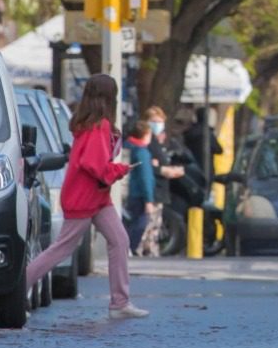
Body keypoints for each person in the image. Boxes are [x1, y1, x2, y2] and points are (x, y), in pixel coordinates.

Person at [25, 74, 149, 319]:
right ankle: (17, 290)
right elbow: (95, 165)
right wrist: (120, 170)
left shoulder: (89, 125)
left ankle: (119, 303)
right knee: (62, 248)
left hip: (95, 197)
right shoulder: (99, 126)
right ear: (109, 98)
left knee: (120, 240)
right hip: (86, 197)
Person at [137, 106, 185, 257]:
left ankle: (151, 253)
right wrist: (163, 170)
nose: (157, 125)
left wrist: (166, 168)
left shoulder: (157, 142)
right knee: (148, 227)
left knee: (154, 227)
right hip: (152, 191)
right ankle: (145, 253)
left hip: (160, 190)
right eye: (153, 121)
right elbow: (147, 167)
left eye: (160, 121)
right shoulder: (146, 143)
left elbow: (159, 162)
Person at [124, 120, 156, 256]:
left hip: (126, 192)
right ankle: (129, 246)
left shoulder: (126, 147)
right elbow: (146, 177)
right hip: (138, 194)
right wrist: (149, 199)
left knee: (127, 222)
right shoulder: (142, 152)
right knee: (140, 223)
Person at [183, 107, 223, 182]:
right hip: (206, 169)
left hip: (191, 168)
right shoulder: (208, 133)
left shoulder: (189, 132)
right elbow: (219, 150)